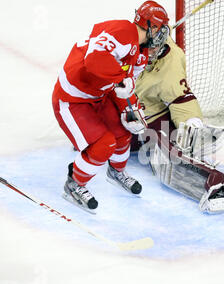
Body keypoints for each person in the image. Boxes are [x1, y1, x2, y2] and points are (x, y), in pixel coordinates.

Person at [52, 1, 169, 212]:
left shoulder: (141, 54)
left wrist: (130, 109)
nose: (162, 36)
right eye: (161, 29)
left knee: (124, 132)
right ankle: (74, 184)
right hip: (73, 99)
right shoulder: (123, 32)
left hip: (100, 95)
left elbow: (123, 87)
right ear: (151, 27)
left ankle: (116, 172)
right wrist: (119, 79)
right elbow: (95, 60)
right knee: (103, 145)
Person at [128, 31, 224, 213]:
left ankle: (216, 185)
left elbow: (181, 99)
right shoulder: (128, 41)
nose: (148, 52)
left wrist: (192, 124)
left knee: (168, 153)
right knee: (103, 144)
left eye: (153, 48)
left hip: (151, 114)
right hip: (123, 108)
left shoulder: (171, 64)